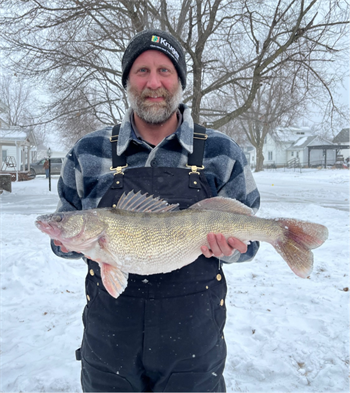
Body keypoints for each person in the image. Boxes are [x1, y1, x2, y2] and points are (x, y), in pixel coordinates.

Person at [51, 29, 260, 392]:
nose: (154, 82)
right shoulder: (88, 151)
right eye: (142, 71)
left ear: (179, 81)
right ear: (127, 81)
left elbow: (251, 240)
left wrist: (233, 249)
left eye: (165, 71)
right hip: (109, 344)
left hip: (194, 345)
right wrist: (63, 243)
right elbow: (64, 226)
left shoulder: (222, 152)